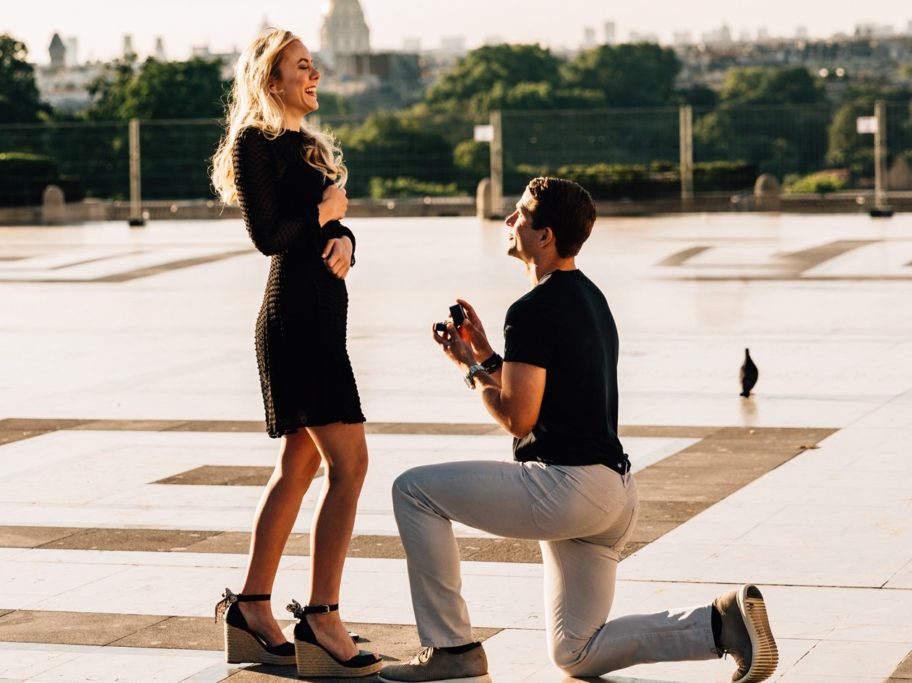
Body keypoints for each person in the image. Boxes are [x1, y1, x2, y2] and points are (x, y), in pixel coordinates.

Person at [378, 177, 778, 683]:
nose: (509, 220)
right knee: (576, 653)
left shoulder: (531, 310)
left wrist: (468, 370)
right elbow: (545, 392)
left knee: (412, 491)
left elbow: (519, 418)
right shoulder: (591, 297)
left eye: (520, 214)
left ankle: (452, 648)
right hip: (613, 494)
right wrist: (483, 353)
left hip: (566, 489)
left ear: (544, 236)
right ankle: (721, 626)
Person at [209, 28, 382, 679]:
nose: (316, 75)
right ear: (272, 79)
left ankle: (252, 606)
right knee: (352, 461)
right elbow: (270, 235)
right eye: (302, 67)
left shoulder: (307, 146)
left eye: (314, 66)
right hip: (295, 324)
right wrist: (326, 217)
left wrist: (347, 240)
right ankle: (320, 614)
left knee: (300, 466)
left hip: (320, 318)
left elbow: (326, 223)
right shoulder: (254, 143)